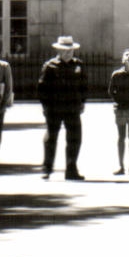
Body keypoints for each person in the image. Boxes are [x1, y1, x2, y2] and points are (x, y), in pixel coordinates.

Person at [38, 35, 88, 180]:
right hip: (54, 107)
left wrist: (83, 101)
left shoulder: (78, 65)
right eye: (64, 50)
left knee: (74, 138)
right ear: (58, 51)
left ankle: (71, 169)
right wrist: (45, 106)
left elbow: (84, 85)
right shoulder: (50, 66)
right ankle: (47, 168)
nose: (68, 53)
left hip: (73, 107)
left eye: (70, 50)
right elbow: (42, 88)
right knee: (51, 138)